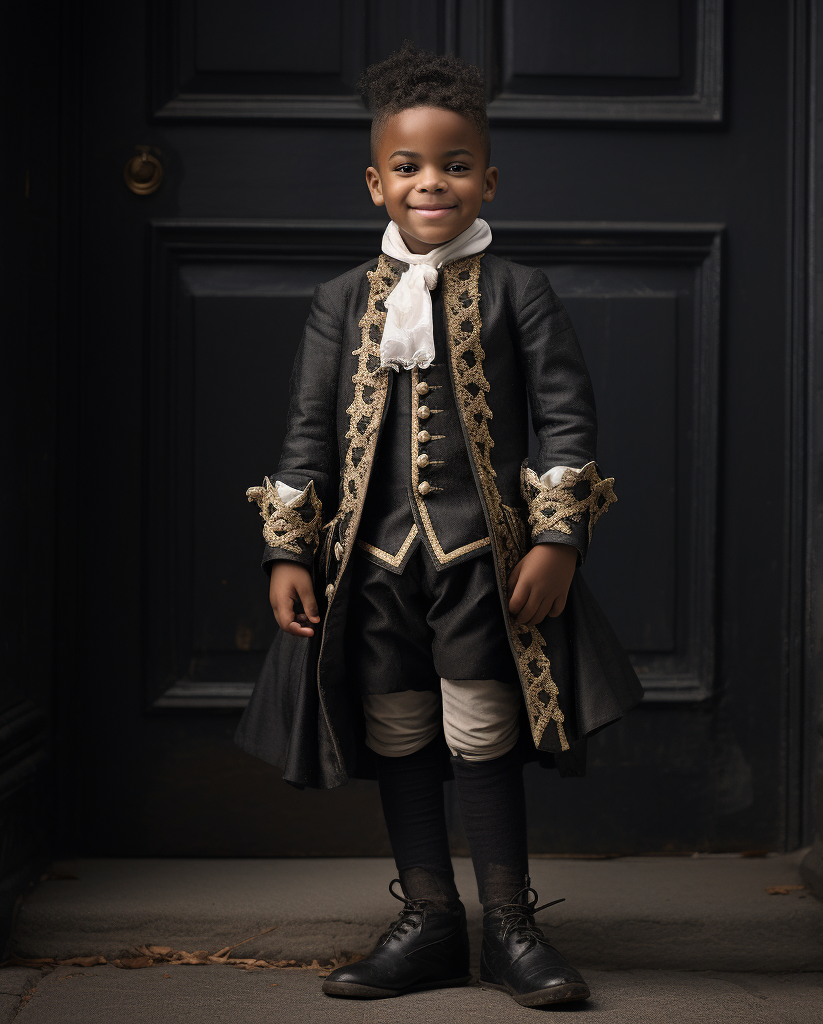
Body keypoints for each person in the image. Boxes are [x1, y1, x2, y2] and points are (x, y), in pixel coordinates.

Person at [235, 41, 643, 1008]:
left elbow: (566, 419)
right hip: (373, 567)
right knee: (399, 726)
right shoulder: (341, 302)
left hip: (481, 564)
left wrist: (558, 538)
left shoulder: (518, 290)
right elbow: (307, 431)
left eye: (455, 165)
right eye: (410, 168)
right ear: (376, 182)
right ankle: (429, 918)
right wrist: (286, 551)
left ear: (487, 177)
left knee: (483, 728)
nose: (433, 183)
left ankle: (510, 925)